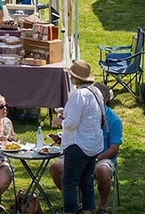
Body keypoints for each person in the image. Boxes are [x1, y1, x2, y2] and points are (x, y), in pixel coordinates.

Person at [49, 82, 122, 213]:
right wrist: (62, 139)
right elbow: (79, 133)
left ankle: (102, 207)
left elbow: (114, 149)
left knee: (97, 172)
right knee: (57, 168)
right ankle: (77, 203)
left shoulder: (114, 120)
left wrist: (61, 122)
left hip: (100, 156)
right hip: (86, 151)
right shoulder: (89, 112)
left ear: (103, 97)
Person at [50, 60, 107, 214]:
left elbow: (71, 123)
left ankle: (70, 211)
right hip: (93, 144)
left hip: (78, 145)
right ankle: (87, 211)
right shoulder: (95, 92)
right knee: (86, 181)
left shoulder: (79, 95)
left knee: (69, 182)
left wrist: (59, 120)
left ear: (75, 78)